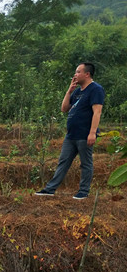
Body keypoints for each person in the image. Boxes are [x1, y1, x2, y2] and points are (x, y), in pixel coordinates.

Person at [35, 62, 105, 200]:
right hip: (71, 135)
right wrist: (69, 91)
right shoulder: (78, 92)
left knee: (85, 163)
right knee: (63, 161)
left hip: (84, 134)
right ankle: (50, 189)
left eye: (78, 72)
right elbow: (64, 108)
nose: (75, 74)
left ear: (87, 74)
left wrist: (92, 132)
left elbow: (97, 112)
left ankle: (83, 191)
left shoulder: (96, 89)